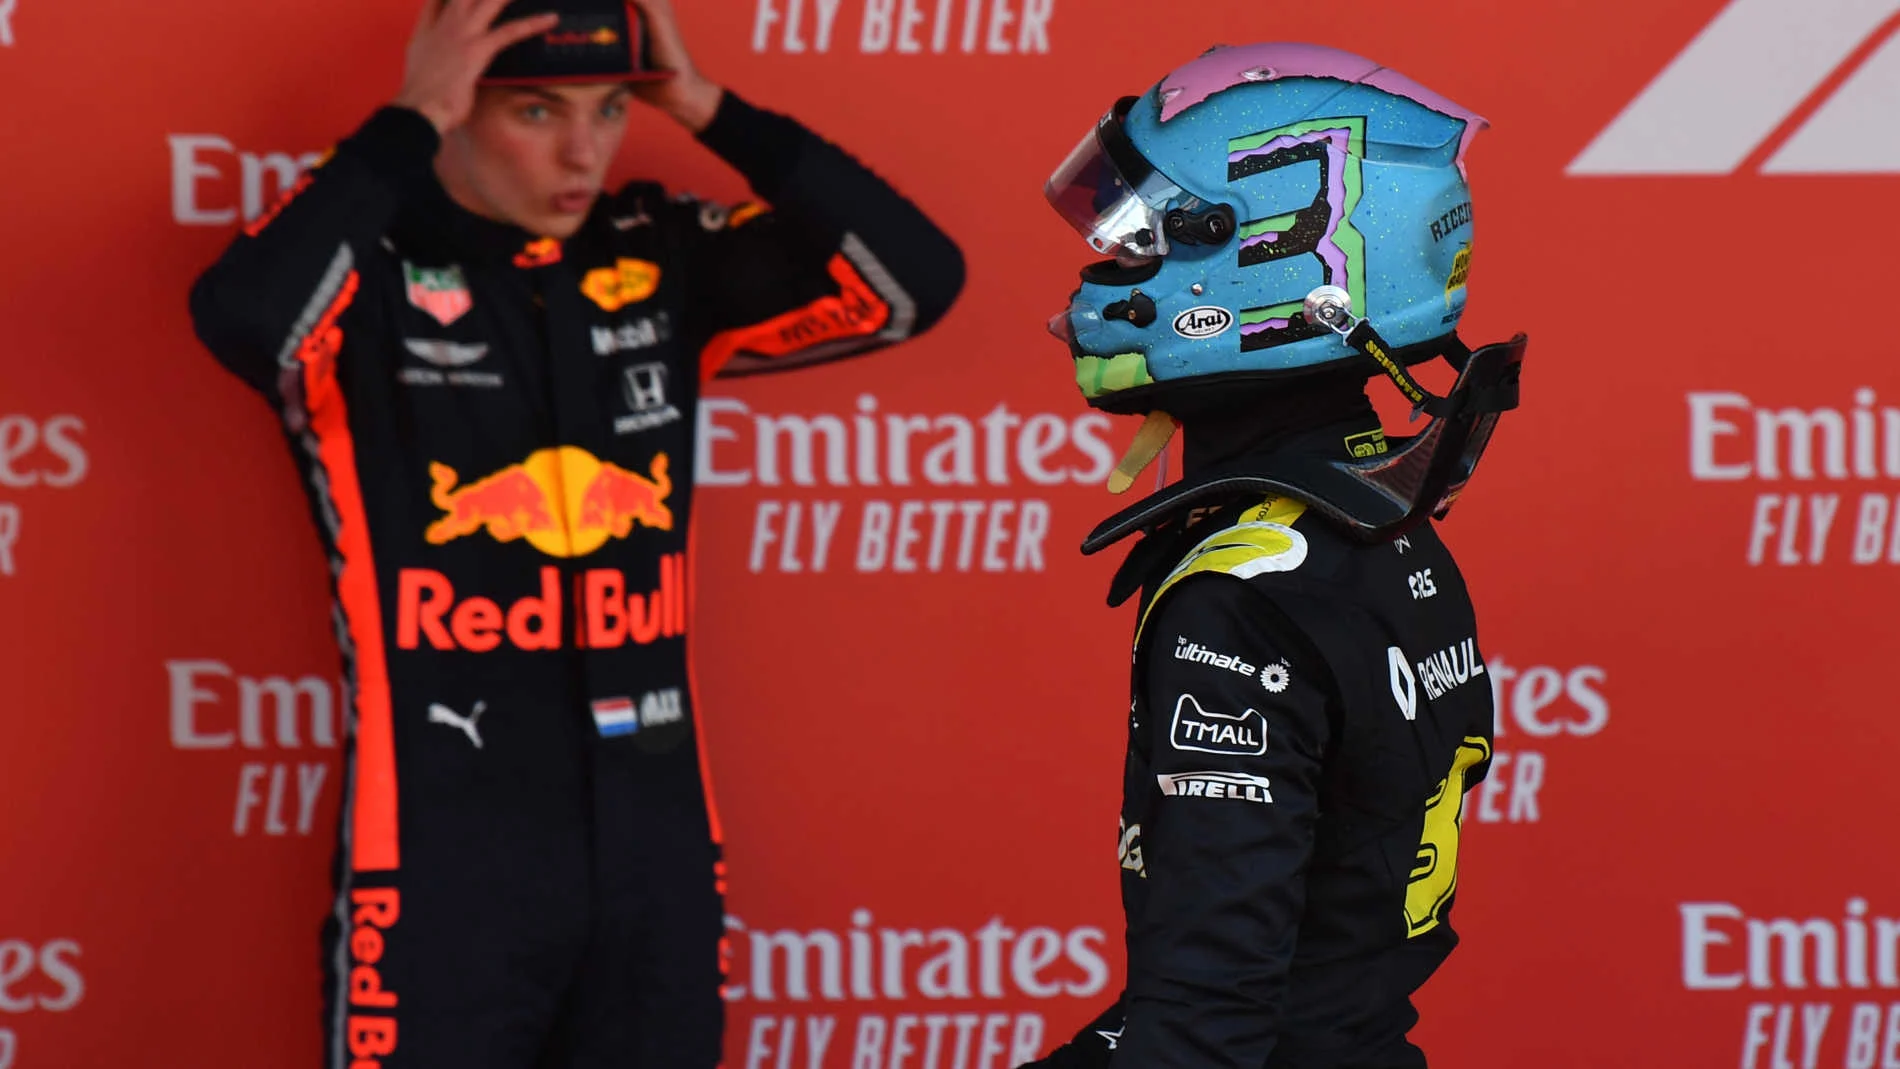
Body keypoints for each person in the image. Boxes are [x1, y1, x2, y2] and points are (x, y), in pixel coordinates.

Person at [187, 0, 963, 1064]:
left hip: (656, 858)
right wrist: (409, 118)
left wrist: (707, 107)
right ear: (458, 107)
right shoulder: (367, 259)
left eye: (608, 109)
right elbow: (242, 318)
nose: (583, 151)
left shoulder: (659, 250)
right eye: (537, 111)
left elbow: (914, 282)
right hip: (443, 865)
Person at [1028, 42, 1527, 1068]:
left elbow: (1204, 1023)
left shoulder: (1240, 597)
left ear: (1273, 265)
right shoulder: (1380, 522)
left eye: (1144, 241)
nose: (1105, 272)